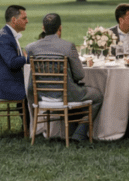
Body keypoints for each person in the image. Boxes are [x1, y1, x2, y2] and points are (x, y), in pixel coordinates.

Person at [26, 13, 104, 143]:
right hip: (65, 95)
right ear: (60, 28)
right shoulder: (68, 47)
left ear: (43, 28)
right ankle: (79, 134)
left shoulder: (31, 48)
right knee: (97, 96)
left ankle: (70, 130)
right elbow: (80, 75)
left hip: (41, 95)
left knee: (76, 92)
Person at [0, 5, 29, 124]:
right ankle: (32, 127)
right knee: (33, 90)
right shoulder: (4, 37)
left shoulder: (7, 34)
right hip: (3, 85)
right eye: (24, 18)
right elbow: (12, 62)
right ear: (14, 20)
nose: (27, 21)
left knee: (32, 88)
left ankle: (30, 126)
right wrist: (28, 58)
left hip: (6, 81)